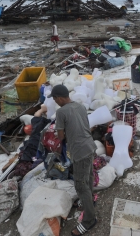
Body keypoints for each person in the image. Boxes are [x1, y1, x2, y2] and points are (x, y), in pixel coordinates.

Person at [52, 85, 97, 235]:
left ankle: (90, 220)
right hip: (90, 146)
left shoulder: (61, 112)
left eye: (55, 99)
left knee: (80, 185)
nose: (55, 102)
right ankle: (89, 201)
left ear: (59, 98)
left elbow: (60, 136)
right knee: (88, 177)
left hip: (79, 151)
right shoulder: (80, 106)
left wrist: (58, 130)